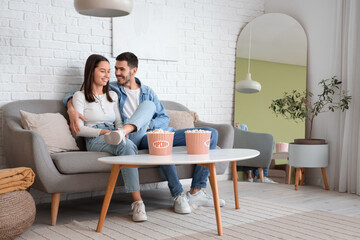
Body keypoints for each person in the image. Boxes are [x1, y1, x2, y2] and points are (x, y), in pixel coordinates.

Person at [66, 52, 225, 214]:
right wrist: (70, 108)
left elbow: (164, 117)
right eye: (115, 69)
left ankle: (196, 192)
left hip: (149, 132)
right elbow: (78, 94)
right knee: (159, 139)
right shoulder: (113, 89)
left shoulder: (147, 91)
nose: (116, 73)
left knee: (210, 134)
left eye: (121, 69)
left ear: (134, 71)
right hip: (133, 137)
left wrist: (149, 125)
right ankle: (177, 194)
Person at [71, 54, 156, 222]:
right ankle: (138, 202)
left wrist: (118, 131)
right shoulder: (79, 96)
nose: (107, 75)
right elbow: (79, 130)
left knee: (148, 106)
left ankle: (123, 134)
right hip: (96, 137)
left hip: (116, 132)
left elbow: (118, 121)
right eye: (103, 71)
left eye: (109, 71)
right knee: (127, 147)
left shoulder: (113, 95)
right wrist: (105, 133)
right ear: (91, 72)